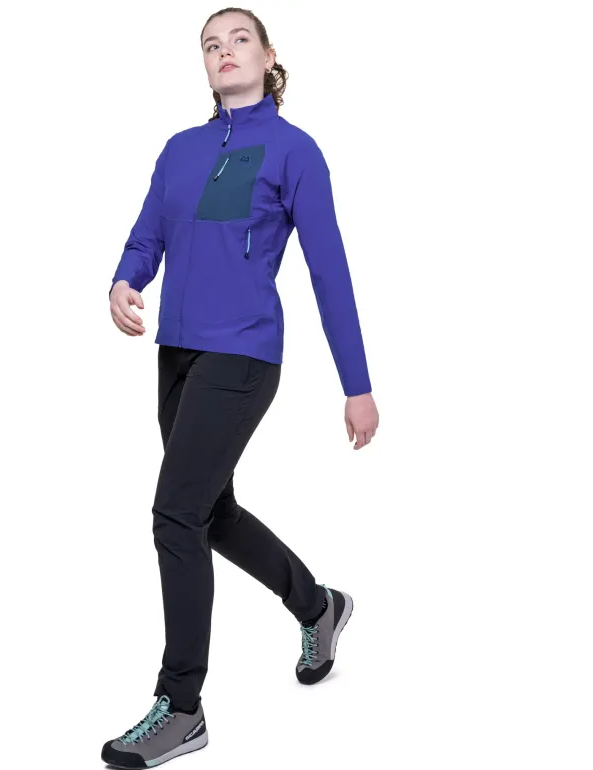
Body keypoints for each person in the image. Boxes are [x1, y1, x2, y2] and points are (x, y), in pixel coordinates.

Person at [102, 7, 379, 768]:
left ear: (267, 55)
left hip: (244, 354)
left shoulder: (293, 151)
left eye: (239, 39)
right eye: (210, 44)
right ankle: (317, 606)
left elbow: (329, 271)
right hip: (177, 353)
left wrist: (357, 385)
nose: (224, 52)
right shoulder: (179, 149)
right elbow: (148, 233)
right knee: (210, 514)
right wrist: (125, 279)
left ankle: (181, 707)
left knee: (174, 513)